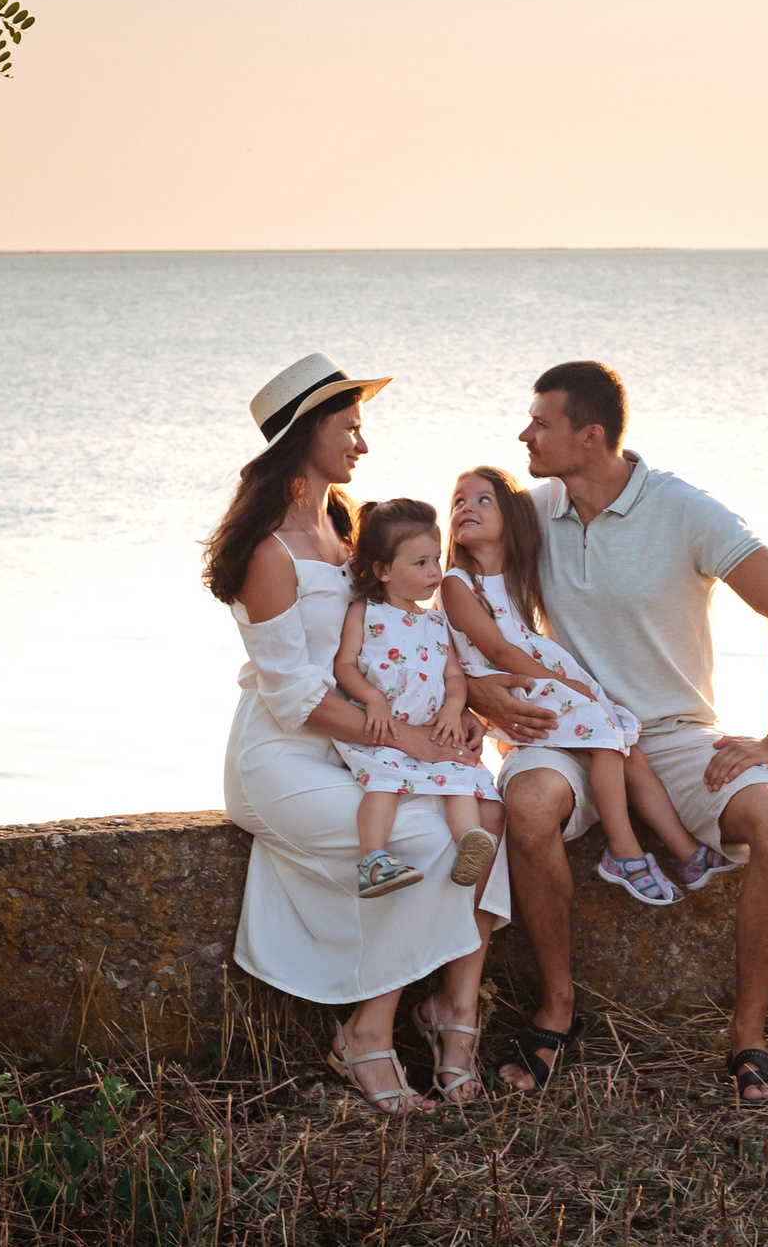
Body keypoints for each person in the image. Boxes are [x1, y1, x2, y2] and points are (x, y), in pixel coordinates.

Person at [466, 361, 768, 1107]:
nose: (524, 434)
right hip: (569, 730)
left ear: (590, 436)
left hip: (678, 734)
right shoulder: (528, 513)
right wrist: (478, 691)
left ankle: (747, 1035)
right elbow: (457, 609)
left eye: (541, 423)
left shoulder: (684, 509)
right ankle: (556, 1009)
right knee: (526, 806)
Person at [206, 354, 506, 1112]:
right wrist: (408, 739)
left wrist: (453, 708)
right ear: (307, 432)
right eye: (351, 426)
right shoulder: (267, 552)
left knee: (488, 812)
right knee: (429, 840)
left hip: (365, 744)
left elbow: (396, 635)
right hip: (284, 757)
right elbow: (295, 692)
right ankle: (367, 1035)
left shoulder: (347, 526)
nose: (362, 444)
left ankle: (454, 1013)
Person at [441, 465, 730, 908]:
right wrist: (563, 682)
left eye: (483, 500)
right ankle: (624, 851)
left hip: (540, 676)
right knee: (606, 738)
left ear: (511, 520)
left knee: (625, 742)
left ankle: (686, 852)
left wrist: (567, 681)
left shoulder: (520, 577)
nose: (466, 508)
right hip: (518, 682)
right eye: (459, 501)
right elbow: (498, 652)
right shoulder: (458, 583)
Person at [331, 497, 500, 898]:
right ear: (383, 570)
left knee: (462, 778)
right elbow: (344, 667)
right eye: (420, 563)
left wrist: (454, 708)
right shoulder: (366, 613)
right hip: (385, 728)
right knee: (385, 783)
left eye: (436, 560)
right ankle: (373, 859)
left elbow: (453, 676)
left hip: (431, 728)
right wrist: (372, 698)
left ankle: (469, 843)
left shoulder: (436, 621)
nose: (434, 572)